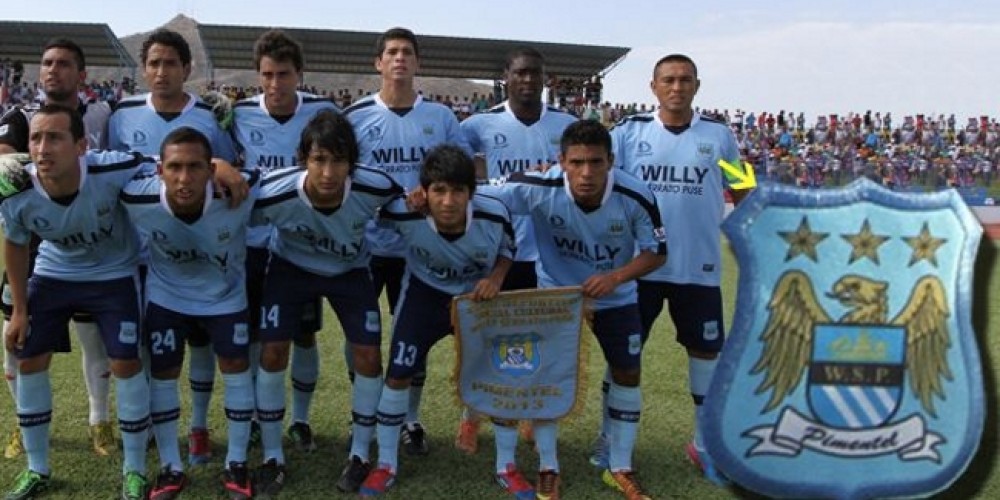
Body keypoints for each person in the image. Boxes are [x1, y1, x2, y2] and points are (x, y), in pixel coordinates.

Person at [483, 119, 666, 500]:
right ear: (561, 160)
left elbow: (656, 253)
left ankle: (620, 466)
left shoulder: (636, 195)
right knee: (546, 373)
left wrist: (615, 278)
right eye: (577, 162)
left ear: (610, 162)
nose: (586, 173)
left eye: (596, 163)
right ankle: (549, 467)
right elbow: (479, 194)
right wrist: (421, 196)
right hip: (558, 297)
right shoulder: (537, 186)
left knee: (627, 372)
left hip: (617, 297)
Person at [608, 53, 750, 487]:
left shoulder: (718, 136)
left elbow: (742, 189)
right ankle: (610, 443)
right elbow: (600, 182)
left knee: (705, 355)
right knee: (623, 358)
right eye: (668, 80)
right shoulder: (629, 135)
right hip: (639, 268)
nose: (676, 87)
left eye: (685, 80)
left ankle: (703, 447)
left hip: (699, 267)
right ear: (653, 87)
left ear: (696, 86)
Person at [1, 105, 154, 500]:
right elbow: (15, 245)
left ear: (82, 145)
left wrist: (220, 166)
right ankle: (37, 468)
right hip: (55, 274)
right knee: (28, 356)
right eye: (35, 138)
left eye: (54, 137)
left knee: (125, 362)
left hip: (114, 274)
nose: (42, 148)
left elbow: (170, 162)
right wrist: (19, 309)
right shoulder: (17, 189)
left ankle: (134, 469)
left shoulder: (111, 169)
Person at [250, 110, 404, 496]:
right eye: (319, 159)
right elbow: (234, 211)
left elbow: (404, 207)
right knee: (272, 351)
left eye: (338, 161)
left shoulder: (376, 185)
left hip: (350, 271)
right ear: (304, 159)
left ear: (353, 163)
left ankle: (359, 453)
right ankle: (272, 455)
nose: (329, 172)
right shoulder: (275, 191)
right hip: (291, 267)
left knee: (368, 355)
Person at [107, 28, 238, 466]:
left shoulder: (208, 116)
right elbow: (108, 175)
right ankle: (144, 424)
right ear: (144, 69)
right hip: (133, 249)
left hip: (187, 247)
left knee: (198, 342)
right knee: (144, 347)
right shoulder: (122, 113)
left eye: (171, 63)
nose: (161, 72)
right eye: (154, 63)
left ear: (188, 68)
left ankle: (198, 427)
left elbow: (224, 172)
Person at [358, 145, 514, 498]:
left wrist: (497, 278)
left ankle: (507, 465)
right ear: (424, 192)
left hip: (474, 300)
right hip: (423, 296)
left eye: (457, 190)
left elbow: (507, 250)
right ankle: (385, 464)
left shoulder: (495, 213)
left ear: (472, 193)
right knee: (398, 373)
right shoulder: (405, 211)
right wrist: (400, 197)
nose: (447, 201)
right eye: (438, 190)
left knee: (501, 374)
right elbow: (370, 211)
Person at [344, 26, 471, 456]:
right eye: (391, 52)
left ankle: (409, 419)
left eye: (407, 52)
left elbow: (465, 175)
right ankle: (360, 413)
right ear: (378, 63)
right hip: (367, 245)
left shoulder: (441, 118)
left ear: (418, 63)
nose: (399, 59)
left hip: (421, 247)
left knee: (410, 334)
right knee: (360, 335)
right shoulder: (355, 117)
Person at [120, 127, 258, 500]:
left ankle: (237, 461)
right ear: (159, 171)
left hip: (226, 298)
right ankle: (170, 466)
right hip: (167, 297)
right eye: (175, 167)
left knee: (236, 369)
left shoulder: (241, 191)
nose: (184, 178)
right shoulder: (136, 196)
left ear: (210, 170)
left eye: (196, 167)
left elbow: (297, 178)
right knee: (164, 373)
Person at [455, 47, 576, 458]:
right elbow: (462, 177)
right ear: (506, 76)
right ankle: (471, 419)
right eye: (520, 73)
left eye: (535, 74)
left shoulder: (568, 125)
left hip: (548, 254)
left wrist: (743, 190)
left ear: (546, 79)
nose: (528, 80)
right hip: (497, 251)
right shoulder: (478, 125)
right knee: (484, 340)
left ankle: (530, 413)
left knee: (540, 341)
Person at [0, 38, 116, 460]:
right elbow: (4, 163)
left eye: (64, 64)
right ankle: (23, 422)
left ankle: (99, 420)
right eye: (47, 62)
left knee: (94, 342)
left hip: (89, 248)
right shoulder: (19, 116)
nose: (53, 70)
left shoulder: (104, 113)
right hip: (29, 244)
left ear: (81, 75)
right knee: (18, 338)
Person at [229, 29, 340, 457]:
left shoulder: (323, 113)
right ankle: (259, 417)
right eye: (268, 74)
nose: (275, 84)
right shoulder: (238, 114)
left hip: (301, 243)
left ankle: (302, 419)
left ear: (299, 75)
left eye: (284, 74)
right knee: (258, 333)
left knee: (305, 335)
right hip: (253, 242)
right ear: (259, 74)